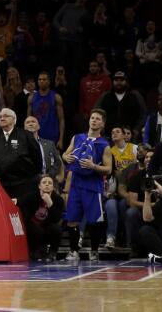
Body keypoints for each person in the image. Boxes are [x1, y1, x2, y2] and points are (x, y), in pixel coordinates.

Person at [61, 108, 112, 262]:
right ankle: (73, 251)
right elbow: (65, 154)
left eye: (97, 119)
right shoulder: (77, 137)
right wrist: (66, 157)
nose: (94, 120)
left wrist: (93, 166)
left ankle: (95, 251)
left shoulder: (105, 145)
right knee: (71, 219)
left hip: (92, 186)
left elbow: (108, 169)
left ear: (103, 123)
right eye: (92, 118)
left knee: (94, 220)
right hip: (76, 184)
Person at [0, 108, 42, 217]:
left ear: (14, 120)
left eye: (6, 116)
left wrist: (30, 174)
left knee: (23, 217)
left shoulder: (25, 135)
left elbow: (37, 158)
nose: (2, 118)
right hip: (3, 185)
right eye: (0, 117)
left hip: (23, 185)